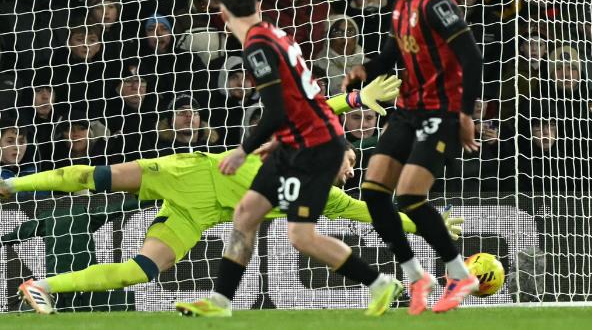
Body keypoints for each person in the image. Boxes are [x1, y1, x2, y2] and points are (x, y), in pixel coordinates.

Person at [7, 131, 464, 315]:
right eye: (348, 159)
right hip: (191, 171)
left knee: (139, 271)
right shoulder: (296, 149)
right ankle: (12, 185)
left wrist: (434, 223)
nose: (350, 168)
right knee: (96, 177)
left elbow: (379, 213)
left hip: (199, 214)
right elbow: (310, 112)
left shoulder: (329, 198)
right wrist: (352, 100)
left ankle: (43, 286)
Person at [171, 0, 402, 317]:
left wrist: (243, 149)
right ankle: (219, 302)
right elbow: (301, 100)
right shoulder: (274, 34)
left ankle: (379, 284)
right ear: (257, 5)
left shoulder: (257, 46)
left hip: (315, 148)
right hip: (296, 142)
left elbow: (277, 109)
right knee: (245, 214)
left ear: (221, 12)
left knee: (301, 237)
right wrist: (279, 141)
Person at [342, 0, 484, 314]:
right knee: (373, 192)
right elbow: (392, 54)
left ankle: (459, 273)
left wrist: (465, 113)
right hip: (407, 110)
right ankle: (416, 274)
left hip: (440, 112)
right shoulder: (401, 4)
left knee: (409, 196)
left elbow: (471, 58)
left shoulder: (436, 2)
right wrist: (364, 70)